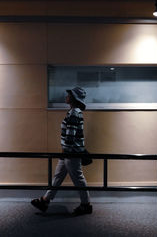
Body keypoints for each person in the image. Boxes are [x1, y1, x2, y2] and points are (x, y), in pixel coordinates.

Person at [31, 87, 92, 216]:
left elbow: (70, 135)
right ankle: (45, 200)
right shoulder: (73, 112)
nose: (66, 96)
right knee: (58, 176)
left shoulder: (74, 113)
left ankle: (86, 205)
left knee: (78, 179)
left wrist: (65, 150)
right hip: (68, 152)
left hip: (71, 152)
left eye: (69, 94)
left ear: (74, 98)